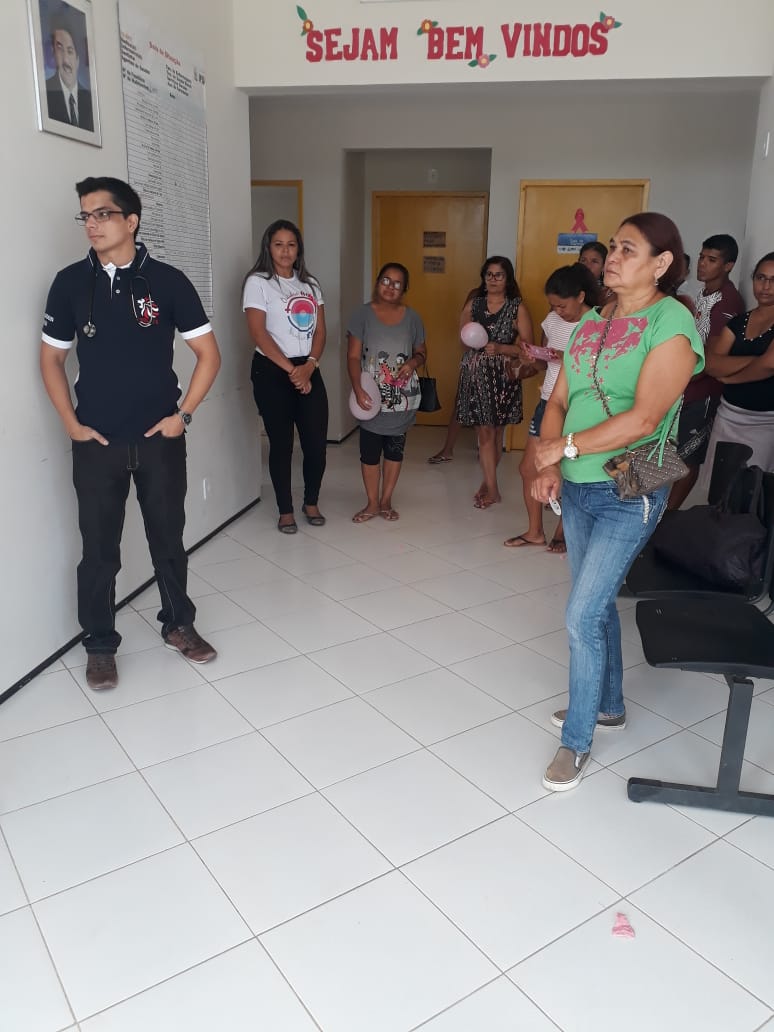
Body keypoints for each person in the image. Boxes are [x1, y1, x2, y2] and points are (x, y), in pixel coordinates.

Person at [532, 212, 703, 792]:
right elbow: (558, 400)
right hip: (578, 484)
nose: (613, 257)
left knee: (581, 613)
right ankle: (608, 707)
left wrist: (563, 446)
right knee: (596, 603)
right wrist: (551, 462)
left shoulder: (672, 321)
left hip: (632, 487)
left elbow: (646, 418)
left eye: (629, 249)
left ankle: (576, 740)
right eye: (612, 246)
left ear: (661, 263)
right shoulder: (588, 323)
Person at [40, 177, 221, 691]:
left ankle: (178, 625)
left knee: (168, 539)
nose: (92, 224)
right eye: (86, 216)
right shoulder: (70, 283)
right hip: (97, 443)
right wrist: (71, 423)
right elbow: (51, 360)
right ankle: (99, 644)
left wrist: (183, 415)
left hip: (160, 438)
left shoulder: (167, 281)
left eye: (102, 214)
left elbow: (208, 355)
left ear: (131, 221)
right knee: (99, 550)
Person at [504, 264, 597, 553]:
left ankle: (563, 531)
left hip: (579, 405)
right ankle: (535, 531)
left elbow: (599, 368)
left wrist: (565, 356)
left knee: (571, 473)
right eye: (553, 305)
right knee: (528, 468)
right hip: (548, 401)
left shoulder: (597, 323)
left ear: (581, 296)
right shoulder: (553, 321)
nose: (558, 311)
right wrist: (533, 357)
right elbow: (545, 364)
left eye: (562, 305)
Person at [243, 220, 327, 533]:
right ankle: (285, 509)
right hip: (271, 369)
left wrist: (310, 365)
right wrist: (292, 370)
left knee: (316, 442)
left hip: (308, 367)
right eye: (278, 244)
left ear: (298, 249)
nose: (285, 251)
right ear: (268, 247)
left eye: (291, 244)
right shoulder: (258, 282)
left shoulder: (310, 284)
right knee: (281, 444)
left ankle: (311, 501)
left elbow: (321, 331)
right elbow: (258, 332)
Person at [668, 234, 745, 508]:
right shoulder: (702, 294)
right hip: (686, 384)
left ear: (728, 265)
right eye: (702, 257)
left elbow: (711, 360)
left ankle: (668, 516)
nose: (702, 264)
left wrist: (678, 379)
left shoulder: (727, 302)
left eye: (712, 260)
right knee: (674, 451)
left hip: (704, 391)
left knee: (688, 458)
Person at [347, 263, 426, 522]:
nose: (390, 287)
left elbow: (422, 352)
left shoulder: (412, 318)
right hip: (371, 395)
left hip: (402, 397)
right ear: (377, 282)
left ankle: (386, 500)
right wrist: (357, 388)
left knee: (394, 450)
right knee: (369, 451)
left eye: (397, 283)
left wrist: (412, 363)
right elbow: (353, 356)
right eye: (386, 281)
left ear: (404, 289)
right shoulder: (362, 314)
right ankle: (371, 503)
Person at [456, 256, 533, 509]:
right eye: (489, 274)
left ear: (507, 279)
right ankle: (493, 489)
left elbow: (528, 349)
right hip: (476, 376)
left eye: (499, 275)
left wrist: (501, 348)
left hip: (502, 377)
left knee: (497, 431)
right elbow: (463, 339)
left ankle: (487, 483)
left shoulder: (517, 308)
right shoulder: (474, 305)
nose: (493, 279)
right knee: (485, 431)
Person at [703, 251, 774, 476]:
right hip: (728, 416)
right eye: (761, 278)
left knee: (753, 487)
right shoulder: (738, 322)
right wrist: (756, 360)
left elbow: (769, 365)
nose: (766, 286)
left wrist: (731, 378)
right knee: (719, 486)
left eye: (773, 280)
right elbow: (711, 363)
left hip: (765, 423)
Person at [46, 15, 94, 131]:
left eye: (70, 51)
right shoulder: (46, 94)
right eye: (60, 50)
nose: (66, 60)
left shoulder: (90, 100)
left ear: (77, 60)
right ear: (53, 54)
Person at [579, 240, 615, 307]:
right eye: (583, 260)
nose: (588, 266)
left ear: (604, 266)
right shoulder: (569, 287)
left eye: (594, 261)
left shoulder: (610, 293)